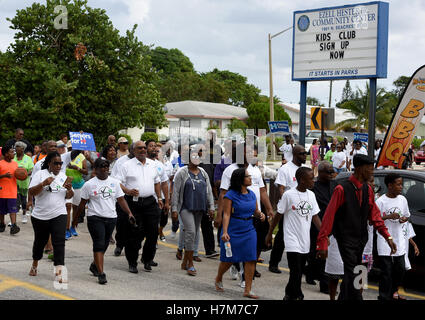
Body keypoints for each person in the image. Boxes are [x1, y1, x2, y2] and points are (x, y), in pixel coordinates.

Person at [316, 154, 397, 300]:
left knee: (352, 275)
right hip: (345, 239)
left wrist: (388, 237)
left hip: (361, 240)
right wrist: (322, 242)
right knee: (354, 274)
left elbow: (376, 217)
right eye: (369, 169)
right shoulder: (341, 189)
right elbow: (328, 217)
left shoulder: (368, 190)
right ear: (360, 169)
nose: (372, 173)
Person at [76, 158, 136, 284]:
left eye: (106, 166)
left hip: (111, 218)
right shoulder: (89, 184)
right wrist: (75, 219)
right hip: (95, 217)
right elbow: (82, 203)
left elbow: (121, 200)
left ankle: (95, 265)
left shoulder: (114, 183)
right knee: (98, 243)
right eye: (102, 166)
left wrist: (129, 213)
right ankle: (101, 273)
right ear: (96, 169)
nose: (105, 169)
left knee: (105, 243)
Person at [266, 167, 321, 300]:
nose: (314, 181)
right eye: (311, 179)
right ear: (302, 180)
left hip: (305, 240)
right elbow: (278, 215)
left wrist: (323, 234)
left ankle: (288, 294)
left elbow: (315, 217)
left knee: (299, 270)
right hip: (291, 239)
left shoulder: (311, 195)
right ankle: (298, 295)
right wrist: (269, 234)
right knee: (296, 270)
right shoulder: (288, 195)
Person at [214, 168, 266, 299]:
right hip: (234, 229)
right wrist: (224, 232)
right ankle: (219, 277)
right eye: (247, 176)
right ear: (240, 180)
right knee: (230, 259)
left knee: (251, 259)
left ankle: (248, 290)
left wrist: (260, 214)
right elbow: (226, 214)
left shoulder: (252, 194)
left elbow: (255, 211)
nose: (250, 178)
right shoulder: (230, 195)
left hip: (249, 229)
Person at [116, 140, 163, 273]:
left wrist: (159, 197)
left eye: (144, 148)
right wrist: (128, 191)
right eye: (139, 148)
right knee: (134, 234)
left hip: (150, 202)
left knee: (153, 233)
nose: (143, 150)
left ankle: (147, 259)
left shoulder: (152, 164)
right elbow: (117, 183)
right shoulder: (126, 165)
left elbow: (157, 182)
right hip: (133, 203)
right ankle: (132, 262)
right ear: (133, 151)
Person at [27, 151, 73, 281]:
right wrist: (43, 184)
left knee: (59, 243)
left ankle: (59, 271)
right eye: (55, 163)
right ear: (49, 164)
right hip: (40, 216)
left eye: (60, 163)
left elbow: (69, 196)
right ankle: (35, 263)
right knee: (40, 242)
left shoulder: (63, 176)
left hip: (59, 213)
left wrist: (69, 190)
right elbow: (31, 192)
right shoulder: (40, 174)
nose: (58, 166)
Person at [171, 145, 215, 276]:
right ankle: (190, 263)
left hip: (199, 207)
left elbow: (209, 191)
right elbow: (176, 192)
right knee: (190, 232)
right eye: (193, 156)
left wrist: (211, 207)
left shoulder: (203, 172)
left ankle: (185, 260)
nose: (196, 159)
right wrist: (174, 209)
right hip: (185, 207)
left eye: (197, 156)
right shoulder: (182, 172)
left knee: (195, 233)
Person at [268, 145, 308, 274]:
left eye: (305, 153)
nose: (305, 155)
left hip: (301, 209)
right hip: (288, 209)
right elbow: (281, 188)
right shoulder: (285, 169)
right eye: (302, 153)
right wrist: (286, 204)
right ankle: (273, 263)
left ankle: (300, 266)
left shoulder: (303, 170)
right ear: (295, 155)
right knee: (281, 236)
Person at [375, 173, 410, 300]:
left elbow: (407, 215)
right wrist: (388, 217)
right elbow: (374, 220)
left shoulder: (402, 199)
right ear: (390, 185)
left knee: (400, 269)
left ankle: (393, 292)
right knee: (386, 272)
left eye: (402, 184)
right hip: (384, 241)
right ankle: (384, 296)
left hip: (399, 240)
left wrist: (404, 219)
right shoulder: (380, 202)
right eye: (398, 184)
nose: (401, 187)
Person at [307, 161, 334, 293]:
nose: (331, 174)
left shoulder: (335, 186)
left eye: (332, 171)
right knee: (315, 253)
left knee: (322, 255)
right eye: (328, 172)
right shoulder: (313, 187)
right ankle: (323, 283)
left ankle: (312, 275)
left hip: (331, 226)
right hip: (316, 225)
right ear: (321, 172)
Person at [65, 150, 88, 239]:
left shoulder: (81, 157)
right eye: (70, 147)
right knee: (68, 206)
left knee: (76, 207)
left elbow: (86, 171)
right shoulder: (65, 156)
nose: (72, 150)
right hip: (67, 184)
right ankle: (66, 230)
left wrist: (77, 168)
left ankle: (73, 227)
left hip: (78, 185)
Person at [0, 145, 20, 235]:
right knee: (1, 211)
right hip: (2, 191)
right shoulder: (0, 163)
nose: (14, 153)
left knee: (13, 210)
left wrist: (22, 175)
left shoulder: (15, 163)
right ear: (6, 154)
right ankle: (2, 223)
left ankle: (14, 225)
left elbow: (18, 174)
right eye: (12, 152)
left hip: (12, 191)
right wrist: (4, 176)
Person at [14, 141, 34, 224]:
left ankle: (24, 214)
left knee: (24, 201)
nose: (16, 148)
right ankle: (13, 219)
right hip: (14, 182)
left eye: (18, 146)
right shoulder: (13, 157)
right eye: (16, 146)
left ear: (23, 149)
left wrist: (25, 174)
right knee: (15, 200)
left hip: (25, 183)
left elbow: (32, 169)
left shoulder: (28, 158)